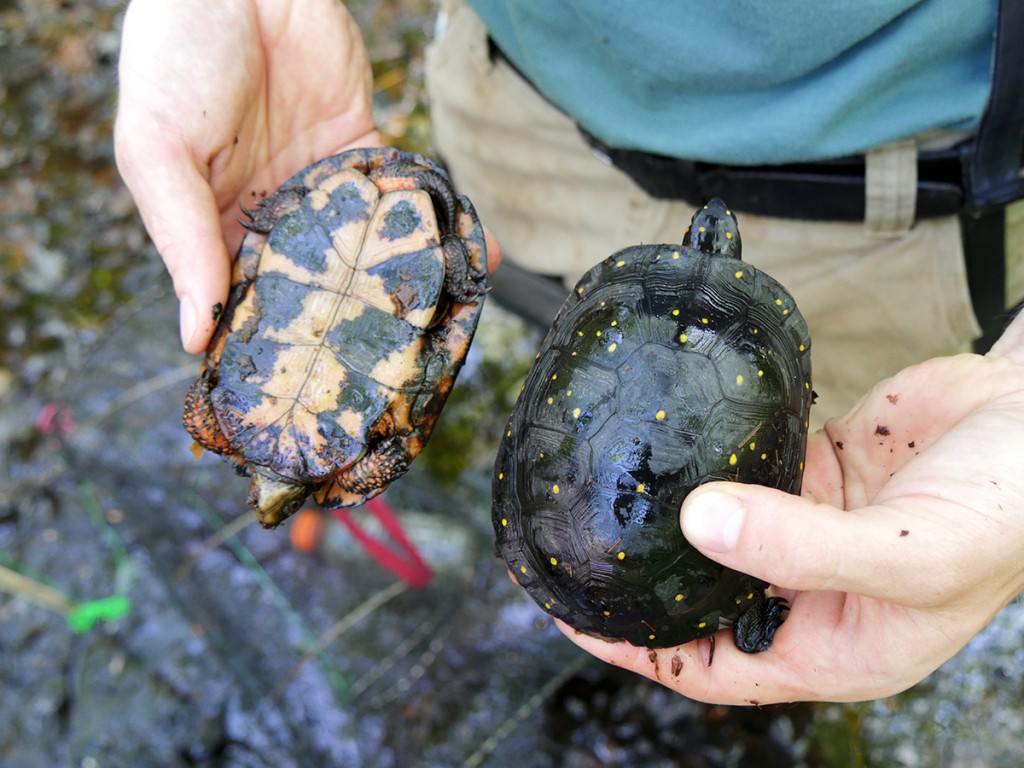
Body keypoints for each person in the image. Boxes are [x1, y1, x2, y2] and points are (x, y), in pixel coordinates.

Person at [114, 0, 1024, 705]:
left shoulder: (227, 417)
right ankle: (715, 628)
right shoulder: (248, 418)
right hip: (519, 106)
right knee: (534, 300)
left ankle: (719, 661)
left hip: (891, 196)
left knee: (840, 498)